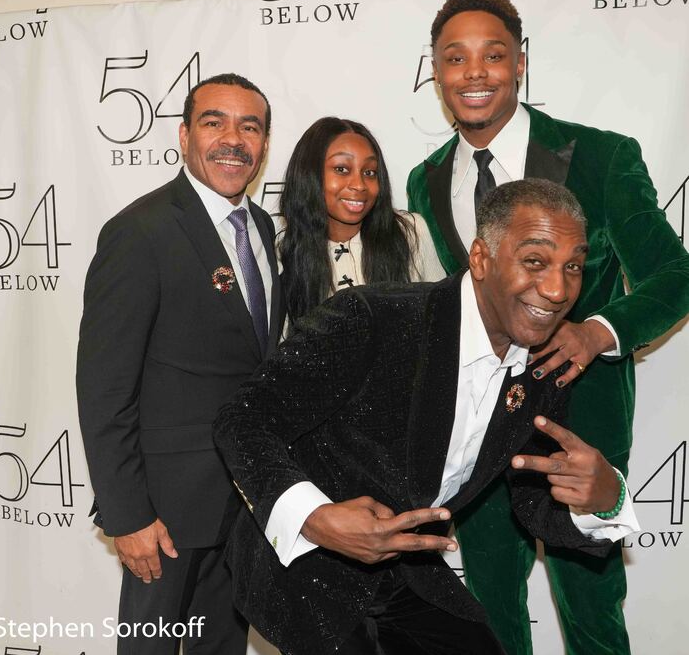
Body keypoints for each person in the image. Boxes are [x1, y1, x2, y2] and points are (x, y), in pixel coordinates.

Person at [214, 179, 639, 655]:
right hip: (305, 565)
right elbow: (244, 419)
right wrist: (314, 517)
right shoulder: (373, 317)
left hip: (411, 571)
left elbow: (535, 501)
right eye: (535, 261)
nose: (558, 289)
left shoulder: (542, 369)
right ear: (480, 259)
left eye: (573, 266)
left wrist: (604, 500)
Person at [406, 0, 689, 654]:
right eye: (455, 58)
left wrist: (597, 330)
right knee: (491, 622)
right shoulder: (425, 180)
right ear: (437, 73)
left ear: (521, 63)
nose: (474, 73)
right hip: (476, 440)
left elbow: (675, 275)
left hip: (576, 428)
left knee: (593, 623)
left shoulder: (600, 156)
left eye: (493, 55)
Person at [76, 73, 283, 655]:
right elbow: (103, 388)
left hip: (240, 506)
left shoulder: (263, 230)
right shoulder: (139, 232)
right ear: (184, 134)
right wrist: (127, 515)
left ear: (265, 145)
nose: (233, 139)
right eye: (214, 121)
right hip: (162, 518)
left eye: (250, 126)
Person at [278, 116, 444, 330]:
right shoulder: (284, 251)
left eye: (369, 172)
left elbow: (442, 320)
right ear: (309, 174)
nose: (359, 185)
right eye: (341, 169)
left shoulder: (410, 232)